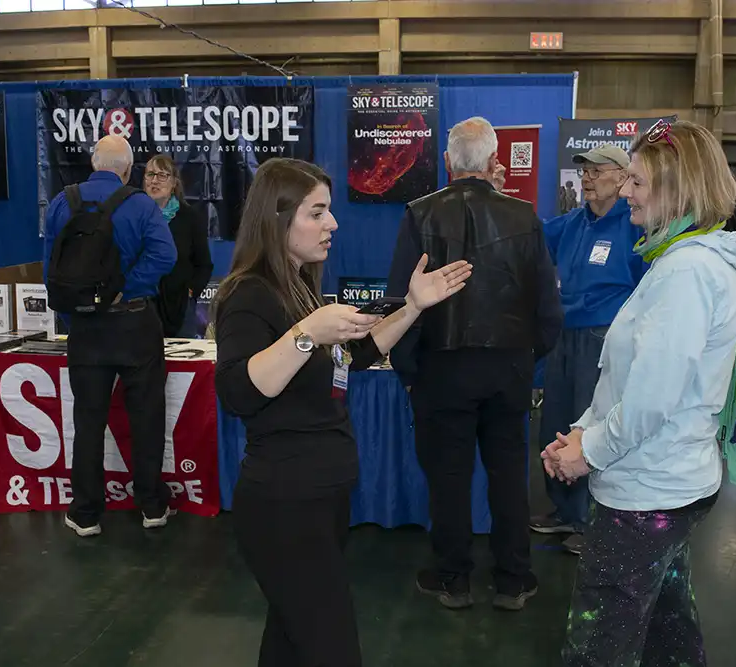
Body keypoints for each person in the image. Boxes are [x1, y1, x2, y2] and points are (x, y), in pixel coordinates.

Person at [213, 158, 470, 667]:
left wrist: (412, 307)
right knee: (330, 647)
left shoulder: (298, 286)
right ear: (278, 219)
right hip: (285, 505)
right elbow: (239, 391)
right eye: (318, 212)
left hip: (320, 497)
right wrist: (307, 334)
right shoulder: (249, 295)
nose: (332, 223)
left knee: (290, 640)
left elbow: (352, 357)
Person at [543, 119, 736, 666]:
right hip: (667, 480)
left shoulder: (685, 272)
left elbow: (650, 399)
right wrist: (583, 432)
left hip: (647, 491)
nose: (626, 193)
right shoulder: (684, 263)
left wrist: (585, 452)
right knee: (667, 627)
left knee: (599, 643)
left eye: (637, 182)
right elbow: (628, 380)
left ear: (676, 189)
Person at [387, 117, 563, 611]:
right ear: (492, 164)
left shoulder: (419, 214)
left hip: (441, 372)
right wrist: (528, 360)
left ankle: (452, 579)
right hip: (509, 368)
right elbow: (548, 310)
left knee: (448, 477)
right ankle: (513, 579)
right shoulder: (526, 217)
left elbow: (402, 302)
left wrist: (408, 369)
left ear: (446, 163)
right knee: (510, 474)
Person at [43, 134, 179, 537]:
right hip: (135, 325)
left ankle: (85, 512)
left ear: (92, 162)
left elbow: (52, 269)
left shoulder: (60, 203)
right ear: (128, 168)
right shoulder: (138, 204)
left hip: (85, 328)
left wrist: (76, 317)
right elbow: (165, 256)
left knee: (87, 422)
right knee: (147, 419)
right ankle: (152, 506)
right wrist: (127, 288)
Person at [533, 144, 645, 556]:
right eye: (584, 172)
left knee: (591, 425)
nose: (587, 178)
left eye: (597, 171)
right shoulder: (572, 224)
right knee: (557, 423)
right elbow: (530, 241)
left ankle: (590, 518)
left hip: (603, 338)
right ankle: (563, 509)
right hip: (564, 336)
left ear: (621, 178)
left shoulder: (633, 226)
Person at [142, 155, 214, 337]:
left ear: (174, 182)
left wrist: (190, 292)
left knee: (181, 365)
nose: (154, 181)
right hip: (142, 307)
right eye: (150, 174)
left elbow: (204, 264)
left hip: (181, 308)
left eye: (162, 175)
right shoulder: (136, 216)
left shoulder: (189, 218)